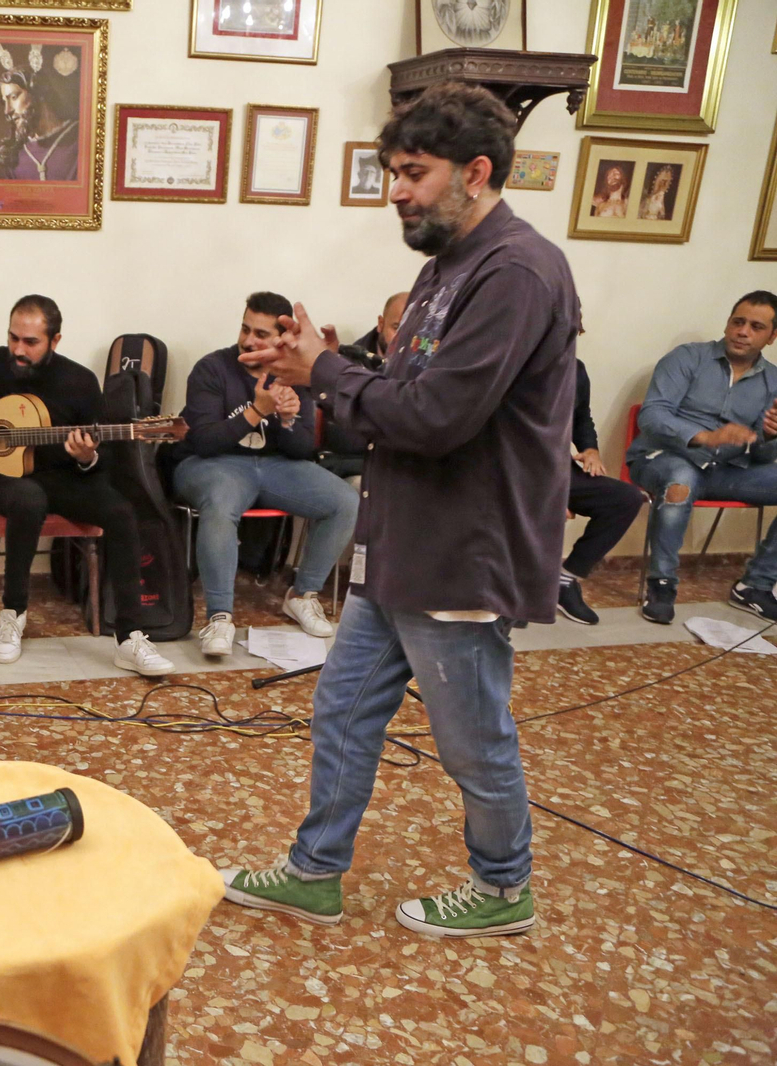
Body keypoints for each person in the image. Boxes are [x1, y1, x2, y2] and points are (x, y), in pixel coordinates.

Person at [221, 82, 579, 938]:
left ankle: (503, 888)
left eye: (413, 173)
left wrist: (330, 376)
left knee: (470, 737)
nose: (397, 191)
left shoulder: (519, 272)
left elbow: (437, 418)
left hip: (462, 546)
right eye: (392, 172)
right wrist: (329, 370)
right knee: (342, 707)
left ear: (478, 171)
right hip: (401, 539)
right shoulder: (442, 268)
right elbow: (402, 391)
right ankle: (315, 872)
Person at [0, 294, 173, 676]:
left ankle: (129, 638)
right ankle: (13, 614)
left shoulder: (78, 381)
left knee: (121, 511)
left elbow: (103, 461)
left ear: (55, 341)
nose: (18, 350)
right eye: (14, 338)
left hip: (63, 478)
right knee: (28, 499)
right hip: (2, 478)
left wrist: (85, 457)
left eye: (30, 342)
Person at [170, 291, 359, 652]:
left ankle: (303, 594)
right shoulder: (211, 368)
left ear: (281, 339)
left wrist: (288, 420)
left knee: (345, 501)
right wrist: (256, 411)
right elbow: (205, 441)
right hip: (209, 465)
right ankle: (219, 617)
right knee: (221, 500)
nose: (247, 340)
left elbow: (305, 451)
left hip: (274, 467)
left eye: (259, 334)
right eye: (245, 329)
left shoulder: (291, 374)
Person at [625, 291, 777, 624]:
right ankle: (661, 584)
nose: (743, 331)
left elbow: (762, 456)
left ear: (771, 336)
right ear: (727, 323)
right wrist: (704, 437)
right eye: (737, 322)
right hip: (661, 459)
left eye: (756, 326)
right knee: (681, 478)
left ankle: (756, 585)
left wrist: (769, 436)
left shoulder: (773, 381)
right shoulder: (687, 358)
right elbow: (651, 415)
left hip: (727, 471)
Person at [559, 358, 648, 624]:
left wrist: (589, 449)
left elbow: (581, 416)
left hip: (560, 470)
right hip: (515, 472)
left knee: (625, 498)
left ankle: (564, 580)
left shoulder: (574, 368)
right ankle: (517, 591)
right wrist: (547, 494)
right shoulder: (514, 362)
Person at [318, 293, 410, 479]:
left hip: (405, 472)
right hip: (356, 470)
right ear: (381, 324)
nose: (403, 339)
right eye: (396, 327)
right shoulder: (348, 363)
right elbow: (343, 439)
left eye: (411, 330)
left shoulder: (426, 367)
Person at [0, 65, 79, 182]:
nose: (7, 110)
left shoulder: (78, 137)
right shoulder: (14, 154)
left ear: (37, 93)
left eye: (14, 97)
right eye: (4, 102)